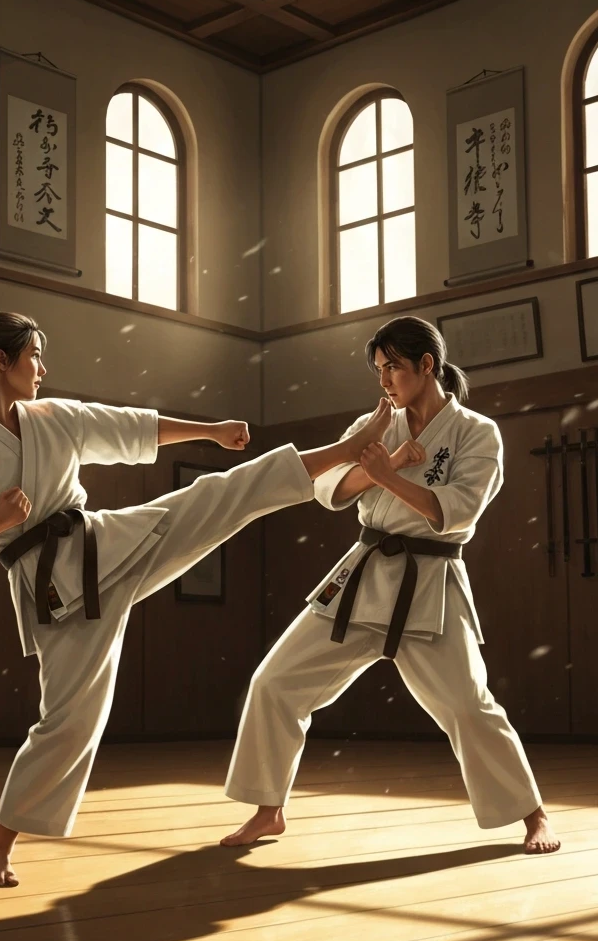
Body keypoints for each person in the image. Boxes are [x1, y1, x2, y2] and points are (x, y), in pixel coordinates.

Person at [0, 311, 412, 887]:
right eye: (34, 356)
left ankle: (347, 449)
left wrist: (211, 431)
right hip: (55, 591)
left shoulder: (53, 417)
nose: (43, 369)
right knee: (70, 724)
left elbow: (131, 429)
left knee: (221, 494)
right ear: (2, 361)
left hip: (105, 544)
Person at [220, 315, 560, 856]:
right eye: (379, 370)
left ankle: (533, 815)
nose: (384, 382)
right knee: (275, 681)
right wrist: (384, 460)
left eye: (394, 368)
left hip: (430, 583)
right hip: (362, 573)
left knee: (469, 706)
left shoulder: (476, 433)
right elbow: (331, 489)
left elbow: (453, 512)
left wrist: (387, 475)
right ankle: (268, 809)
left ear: (428, 365)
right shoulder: (375, 421)